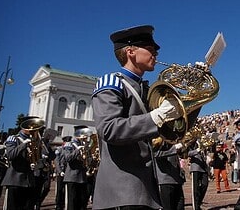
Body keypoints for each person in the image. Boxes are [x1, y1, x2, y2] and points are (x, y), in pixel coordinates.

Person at [92, 24, 180, 209]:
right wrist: (157, 116)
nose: (155, 53)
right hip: (122, 192)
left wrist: (194, 102)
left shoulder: (145, 89)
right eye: (149, 49)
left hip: (145, 190)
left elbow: (174, 128)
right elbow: (109, 129)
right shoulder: (112, 82)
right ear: (130, 51)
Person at [63, 126, 91, 210]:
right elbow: (67, 158)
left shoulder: (85, 144)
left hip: (82, 177)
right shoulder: (69, 144)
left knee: (82, 201)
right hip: (72, 177)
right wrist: (77, 150)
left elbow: (88, 160)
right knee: (72, 202)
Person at [153, 138, 185, 210]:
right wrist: (175, 148)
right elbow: (157, 154)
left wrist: (185, 144)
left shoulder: (174, 139)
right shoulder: (160, 139)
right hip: (165, 180)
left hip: (177, 179)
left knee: (180, 207)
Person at [188, 141, 209, 210]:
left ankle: (199, 201)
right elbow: (188, 153)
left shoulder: (203, 141)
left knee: (205, 185)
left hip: (204, 167)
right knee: (196, 188)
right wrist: (197, 150)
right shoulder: (191, 142)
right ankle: (196, 207)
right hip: (196, 167)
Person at [54, 136, 71, 210]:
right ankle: (58, 205)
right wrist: (60, 171)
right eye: (66, 141)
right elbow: (56, 161)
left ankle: (63, 204)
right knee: (60, 189)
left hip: (68, 172)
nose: (68, 143)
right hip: (61, 171)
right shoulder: (59, 149)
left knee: (66, 190)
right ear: (63, 142)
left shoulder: (70, 149)